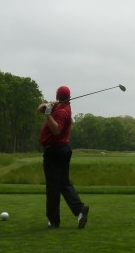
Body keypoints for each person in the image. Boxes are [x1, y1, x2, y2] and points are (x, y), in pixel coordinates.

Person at [37, 86, 89, 229]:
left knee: (52, 187)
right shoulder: (62, 107)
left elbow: (56, 130)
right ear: (69, 96)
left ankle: (54, 221)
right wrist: (48, 105)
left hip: (55, 151)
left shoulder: (62, 112)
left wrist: (48, 114)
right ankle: (79, 209)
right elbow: (39, 108)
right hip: (62, 150)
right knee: (63, 183)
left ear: (58, 95)